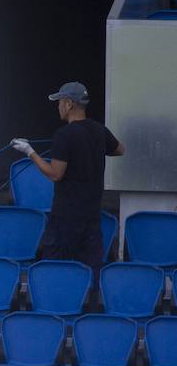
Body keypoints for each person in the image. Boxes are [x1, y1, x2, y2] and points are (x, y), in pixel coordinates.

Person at [11, 81, 124, 275]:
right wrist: (94, 151)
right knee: (89, 274)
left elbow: (55, 174)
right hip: (91, 216)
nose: (58, 107)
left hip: (65, 218)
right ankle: (88, 305)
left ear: (69, 104)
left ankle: (57, 305)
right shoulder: (99, 130)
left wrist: (30, 152)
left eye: (60, 102)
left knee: (55, 271)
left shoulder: (64, 135)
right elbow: (120, 149)